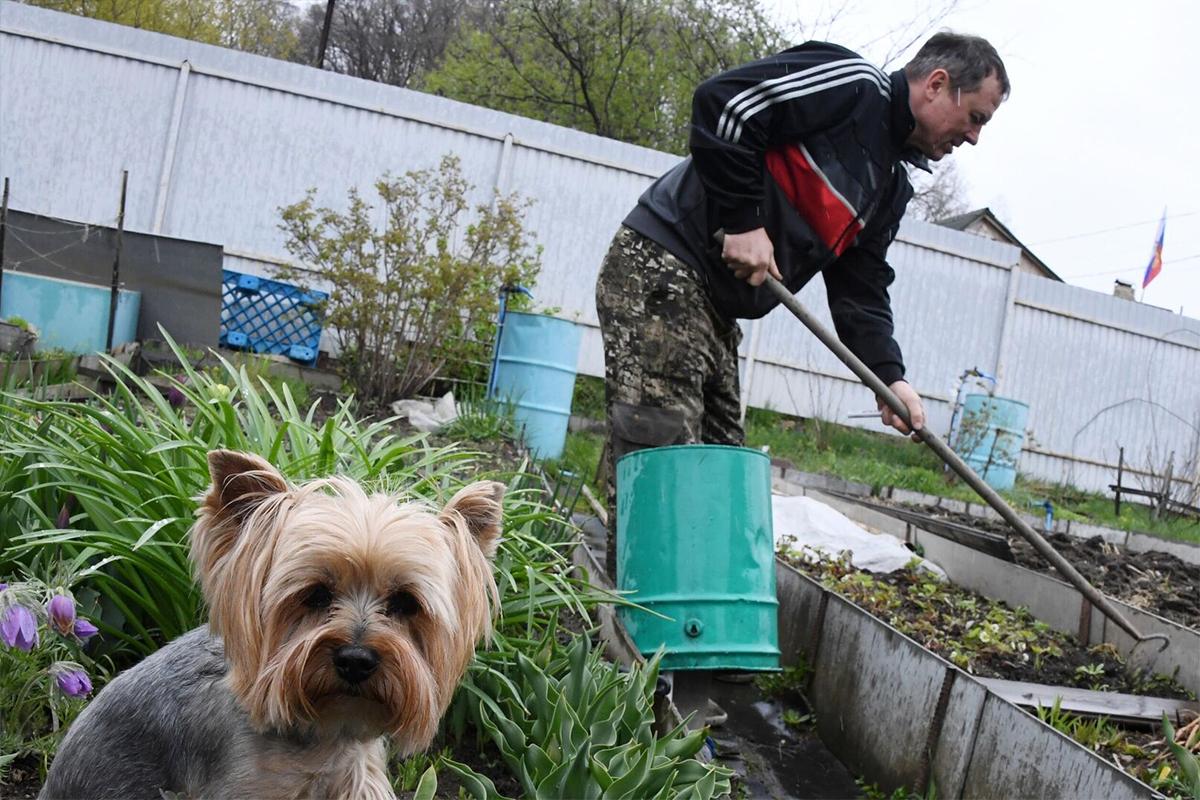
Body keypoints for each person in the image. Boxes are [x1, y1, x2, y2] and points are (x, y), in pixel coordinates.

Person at [595, 32, 1009, 579]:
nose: (975, 138)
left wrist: (889, 377)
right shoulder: (850, 88)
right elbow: (725, 104)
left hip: (713, 308)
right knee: (665, 464)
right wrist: (743, 221)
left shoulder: (887, 186)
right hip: (665, 266)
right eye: (976, 117)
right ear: (937, 85)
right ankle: (635, 638)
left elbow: (861, 288)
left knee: (723, 475)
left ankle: (699, 638)